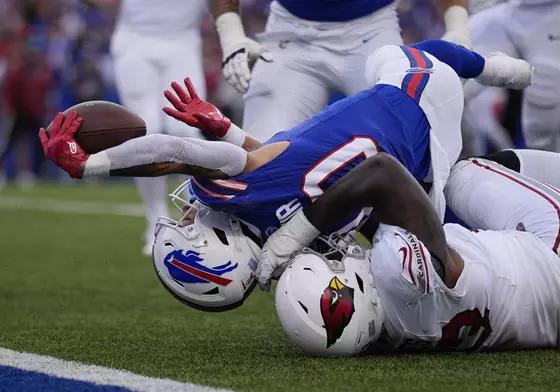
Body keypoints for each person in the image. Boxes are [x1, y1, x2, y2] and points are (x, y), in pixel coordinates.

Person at [40, 39, 532, 237]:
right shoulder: (236, 186)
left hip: (413, 155)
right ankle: (492, 67)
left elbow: (287, 165)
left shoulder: (272, 215)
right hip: (416, 99)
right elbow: (171, 150)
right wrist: (89, 166)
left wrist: (229, 130)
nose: (188, 213)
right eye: (193, 222)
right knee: (398, 50)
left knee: (460, 222)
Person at [272, 129, 560, 355]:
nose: (339, 254)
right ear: (345, 289)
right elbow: (382, 172)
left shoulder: (386, 336)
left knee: (500, 257)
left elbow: (381, 216)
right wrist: (303, 226)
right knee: (464, 175)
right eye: (332, 264)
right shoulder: (394, 269)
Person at [210, 0, 473, 143]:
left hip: (372, 31)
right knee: (261, 154)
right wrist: (231, 33)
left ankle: (409, 241)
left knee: (405, 146)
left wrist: (458, 28)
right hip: (291, 34)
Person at [87, 0, 212, 255]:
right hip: (136, 42)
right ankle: (155, 219)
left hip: (182, 43)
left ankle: (202, 216)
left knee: (187, 130)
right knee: (146, 130)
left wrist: (231, 34)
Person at [462, 0, 560, 153]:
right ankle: (459, 171)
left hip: (557, 12)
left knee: (540, 136)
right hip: (498, 7)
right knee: (446, 87)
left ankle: (551, 176)